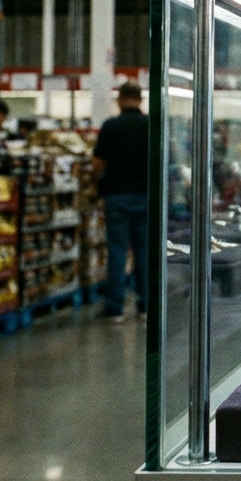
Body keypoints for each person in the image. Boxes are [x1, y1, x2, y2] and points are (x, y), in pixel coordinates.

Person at [92, 82, 150, 322]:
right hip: (146, 195)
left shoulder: (110, 126)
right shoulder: (151, 126)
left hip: (116, 196)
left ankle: (114, 308)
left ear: (119, 99)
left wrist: (97, 186)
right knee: (144, 251)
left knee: (117, 251)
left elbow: (97, 164)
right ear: (140, 99)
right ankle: (146, 306)